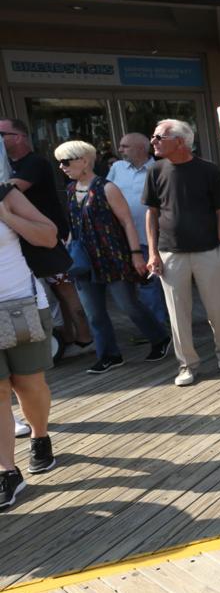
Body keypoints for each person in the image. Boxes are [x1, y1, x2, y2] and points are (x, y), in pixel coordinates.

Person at [145, 119, 220, 387]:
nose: (153, 141)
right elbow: (151, 214)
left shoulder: (208, 170)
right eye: (153, 137)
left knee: (219, 309)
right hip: (170, 253)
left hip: (209, 251)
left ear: (179, 141)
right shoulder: (155, 170)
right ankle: (186, 365)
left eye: (158, 137)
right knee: (178, 313)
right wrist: (152, 253)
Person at [56, 141, 172, 373]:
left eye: (66, 162)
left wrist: (136, 254)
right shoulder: (70, 190)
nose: (62, 167)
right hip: (84, 261)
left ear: (84, 161)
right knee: (94, 313)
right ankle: (109, 355)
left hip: (112, 257)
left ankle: (159, 337)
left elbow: (127, 221)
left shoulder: (106, 188)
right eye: (59, 162)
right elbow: (74, 226)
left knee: (128, 304)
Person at [0, 117, 93, 357]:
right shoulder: (10, 164)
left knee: (65, 289)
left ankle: (86, 337)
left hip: (51, 238)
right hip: (29, 238)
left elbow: (11, 188)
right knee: (56, 291)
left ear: (18, 137)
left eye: (2, 134)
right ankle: (70, 336)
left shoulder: (34, 163)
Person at [0, 182, 60, 509]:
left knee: (28, 384)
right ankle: (7, 471)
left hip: (20, 306)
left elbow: (48, 236)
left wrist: (7, 216)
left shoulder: (4, 194)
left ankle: (39, 436)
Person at [108, 132, 170, 330]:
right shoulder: (117, 168)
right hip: (121, 238)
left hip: (150, 237)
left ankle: (157, 327)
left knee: (149, 284)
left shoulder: (159, 168)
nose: (120, 150)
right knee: (129, 288)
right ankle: (150, 327)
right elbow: (104, 193)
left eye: (125, 146)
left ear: (141, 148)